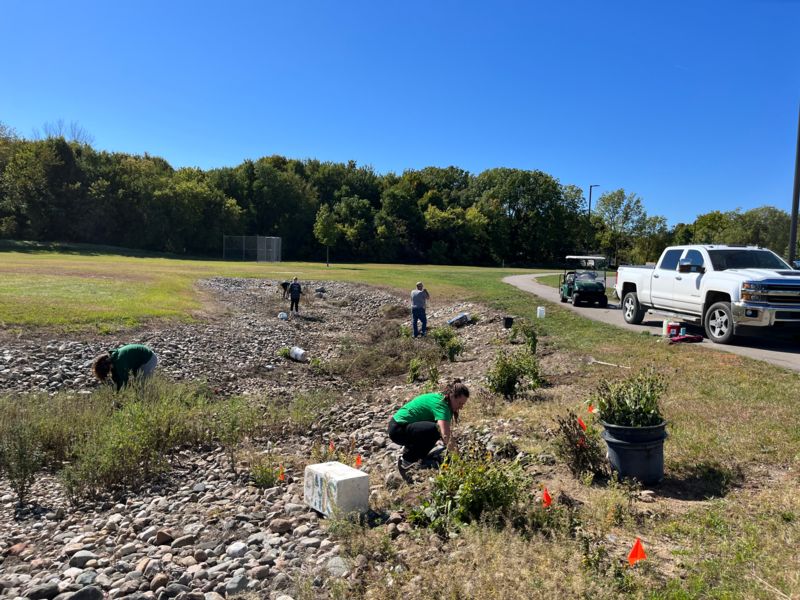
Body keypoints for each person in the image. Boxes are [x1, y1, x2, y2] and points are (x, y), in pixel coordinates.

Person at [387, 380, 470, 478]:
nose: (461, 407)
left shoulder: (442, 399)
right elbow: (446, 435)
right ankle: (407, 461)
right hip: (398, 429)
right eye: (460, 403)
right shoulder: (442, 406)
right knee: (436, 429)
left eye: (463, 404)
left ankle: (414, 453)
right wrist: (458, 458)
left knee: (433, 430)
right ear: (452, 396)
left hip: (401, 427)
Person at [92, 343, 158, 391]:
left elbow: (124, 381)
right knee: (137, 384)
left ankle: (149, 401)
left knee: (142, 386)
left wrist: (119, 395)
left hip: (149, 359)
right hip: (139, 360)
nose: (108, 373)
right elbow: (116, 378)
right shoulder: (113, 359)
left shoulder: (119, 361)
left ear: (106, 367)